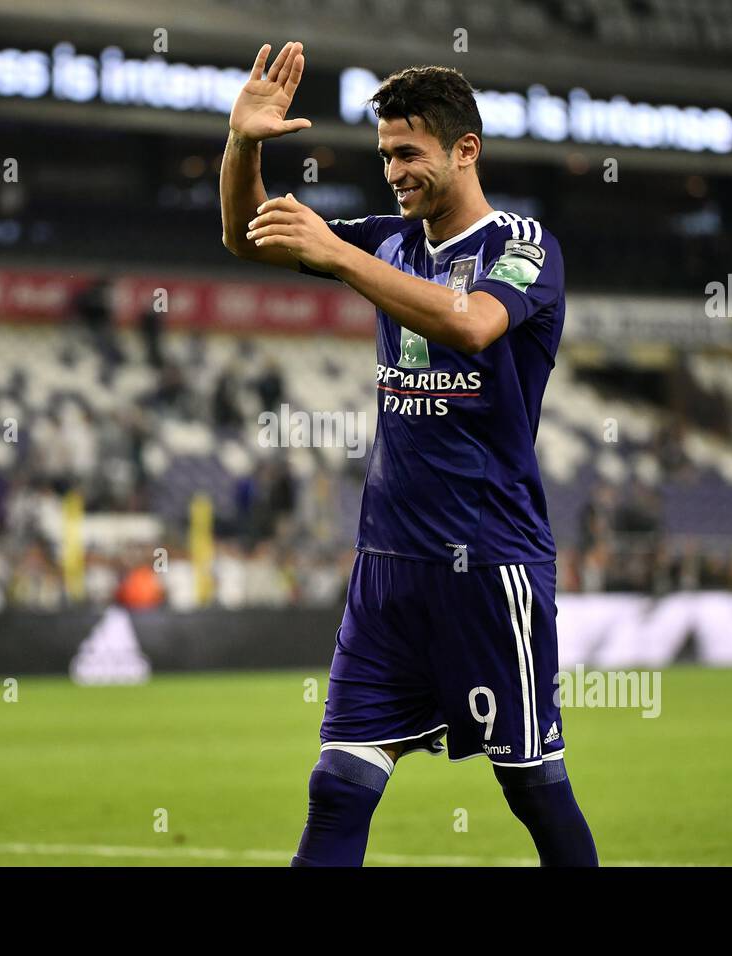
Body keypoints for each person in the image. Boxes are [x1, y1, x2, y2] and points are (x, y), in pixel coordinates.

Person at [220, 42, 596, 867]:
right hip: (387, 564)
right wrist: (245, 143)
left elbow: (470, 323)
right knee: (338, 783)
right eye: (386, 154)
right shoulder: (391, 239)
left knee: (532, 786)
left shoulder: (526, 244)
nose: (392, 171)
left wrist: (340, 257)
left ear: (467, 149)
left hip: (490, 563)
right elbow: (248, 240)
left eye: (408, 153)